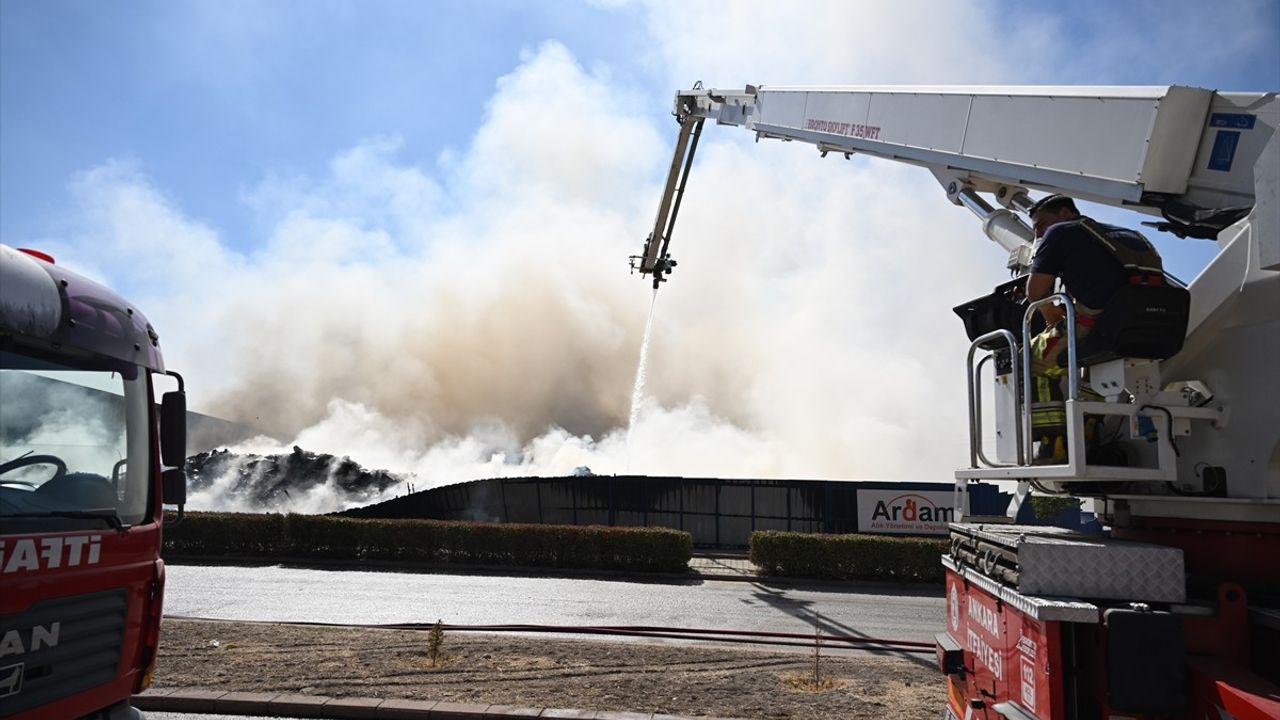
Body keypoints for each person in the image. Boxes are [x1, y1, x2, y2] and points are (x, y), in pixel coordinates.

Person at [1024, 194, 1164, 463]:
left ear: (1065, 213)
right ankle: (1088, 429)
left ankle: (1054, 442)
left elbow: (1036, 292)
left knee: (1033, 356)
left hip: (1103, 327)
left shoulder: (1060, 233)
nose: (1039, 233)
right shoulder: (1128, 235)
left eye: (1041, 224)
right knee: (1091, 361)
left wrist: (1051, 314)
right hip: (1152, 326)